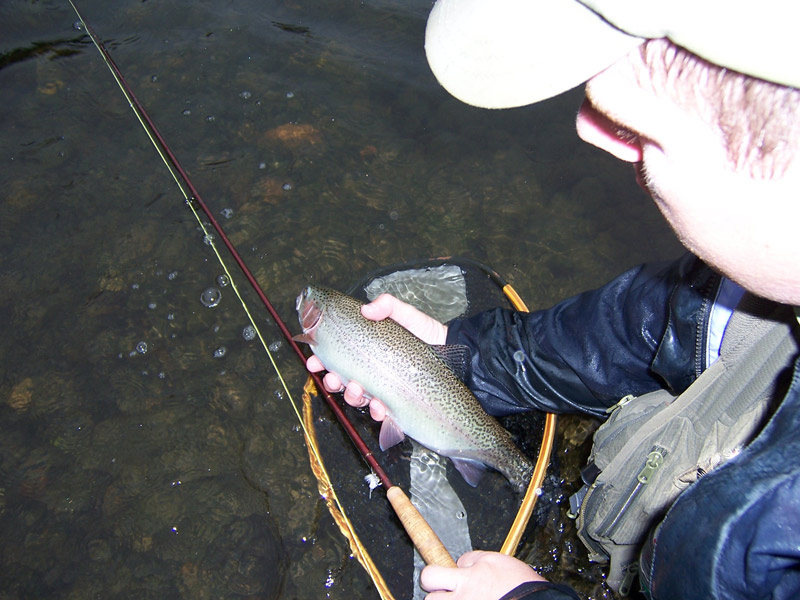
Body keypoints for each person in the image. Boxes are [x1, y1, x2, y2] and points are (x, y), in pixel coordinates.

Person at [306, 0, 800, 598]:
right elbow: (618, 335)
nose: (587, 129)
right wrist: (459, 357)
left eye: (645, 126)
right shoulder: (737, 289)